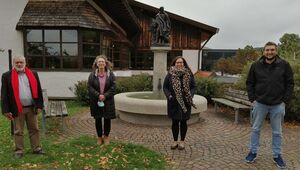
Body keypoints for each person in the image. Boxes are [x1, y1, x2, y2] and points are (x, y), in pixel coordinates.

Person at [245, 41, 294, 169]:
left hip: (278, 104)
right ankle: (253, 152)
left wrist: (285, 101)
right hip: (259, 103)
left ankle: (277, 155)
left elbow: (290, 84)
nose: (269, 52)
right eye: (267, 50)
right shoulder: (255, 65)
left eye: (272, 50)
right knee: (255, 129)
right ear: (263, 51)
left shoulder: (284, 65)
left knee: (277, 132)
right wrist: (252, 99)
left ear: (276, 51)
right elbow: (250, 83)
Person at [1, 56, 45, 158]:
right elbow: (4, 94)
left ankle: (36, 148)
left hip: (31, 107)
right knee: (18, 131)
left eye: (21, 62)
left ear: (25, 63)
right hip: (17, 108)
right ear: (14, 64)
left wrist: (39, 105)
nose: (19, 64)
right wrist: (6, 110)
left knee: (34, 129)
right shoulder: (6, 76)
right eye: (17, 63)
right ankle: (19, 151)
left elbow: (38, 90)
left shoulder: (33, 74)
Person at [163, 56, 196, 150]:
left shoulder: (189, 74)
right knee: (174, 122)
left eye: (181, 62)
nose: (179, 64)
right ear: (174, 64)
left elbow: (194, 87)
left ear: (184, 63)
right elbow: (165, 87)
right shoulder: (170, 74)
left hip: (186, 102)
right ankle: (174, 141)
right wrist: (169, 96)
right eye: (177, 62)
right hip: (173, 102)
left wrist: (190, 95)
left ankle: (182, 141)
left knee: (184, 122)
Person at [88, 55, 116, 145]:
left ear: (105, 63)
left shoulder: (110, 74)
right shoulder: (92, 75)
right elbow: (90, 87)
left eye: (102, 62)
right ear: (96, 64)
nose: (101, 63)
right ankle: (99, 137)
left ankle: (106, 136)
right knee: (98, 119)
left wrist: (105, 96)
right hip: (96, 100)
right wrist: (98, 95)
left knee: (107, 119)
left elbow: (113, 87)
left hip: (107, 100)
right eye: (99, 62)